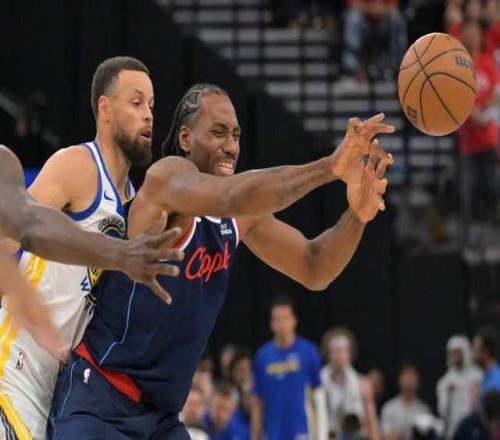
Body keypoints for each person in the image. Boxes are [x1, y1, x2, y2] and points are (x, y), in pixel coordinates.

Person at [49, 83, 394, 439]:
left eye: (236, 135)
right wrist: (330, 167)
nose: (231, 146)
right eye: (218, 132)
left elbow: (314, 266)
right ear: (186, 138)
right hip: (101, 399)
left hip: (161, 419)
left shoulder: (239, 216)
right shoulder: (166, 179)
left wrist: (357, 216)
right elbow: (231, 196)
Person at [0, 56, 185, 440]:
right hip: (14, 366)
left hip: (57, 390)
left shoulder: (134, 203)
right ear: (105, 108)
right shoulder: (79, 164)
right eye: (136, 103)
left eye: (152, 106)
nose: (148, 116)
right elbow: (12, 232)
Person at [0, 145, 182, 359]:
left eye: (152, 111)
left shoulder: (132, 204)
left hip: (58, 367)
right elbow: (18, 233)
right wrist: (121, 254)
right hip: (16, 352)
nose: (149, 123)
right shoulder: (78, 164)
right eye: (137, 108)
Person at [253, 295, 328, 440]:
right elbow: (257, 402)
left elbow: (319, 396)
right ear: (271, 323)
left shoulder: (308, 352)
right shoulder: (262, 357)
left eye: (285, 318)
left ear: (294, 320)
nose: (281, 324)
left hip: (303, 431)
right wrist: (255, 436)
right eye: (276, 319)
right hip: (273, 433)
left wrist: (322, 435)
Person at [457, 19, 499, 244]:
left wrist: (480, 110)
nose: (472, 35)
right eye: (468, 31)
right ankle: (469, 246)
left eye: (475, 31)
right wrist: (469, 111)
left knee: (491, 190)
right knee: (468, 197)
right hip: (467, 144)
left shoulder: (487, 62)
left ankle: (492, 244)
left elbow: (497, 94)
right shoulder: (457, 65)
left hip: (488, 140)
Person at [320, 327, 380, 439]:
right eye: (335, 351)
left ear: (350, 353)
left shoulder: (362, 383)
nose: (340, 355)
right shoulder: (319, 384)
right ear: (328, 354)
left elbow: (372, 421)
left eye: (343, 350)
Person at [342, 0, 407, 80]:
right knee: (353, 17)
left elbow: (394, 6)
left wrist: (381, 10)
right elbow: (354, 5)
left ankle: (396, 68)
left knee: (396, 17)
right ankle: (351, 69)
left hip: (384, 23)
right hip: (364, 24)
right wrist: (371, 9)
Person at [436, 335, 483, 439]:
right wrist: (448, 394)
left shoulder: (478, 376)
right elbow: (442, 413)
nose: (456, 356)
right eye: (453, 353)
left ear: (465, 352)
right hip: (452, 433)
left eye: (458, 352)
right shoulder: (445, 382)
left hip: (473, 432)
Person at [380, 363, 431, 440]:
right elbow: (386, 435)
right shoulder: (389, 407)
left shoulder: (424, 410)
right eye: (405, 375)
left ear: (418, 380)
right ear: (399, 379)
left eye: (412, 375)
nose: (409, 379)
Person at [473, 327, 500, 396]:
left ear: (486, 351)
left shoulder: (497, 380)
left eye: (476, 348)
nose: (473, 353)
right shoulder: (481, 377)